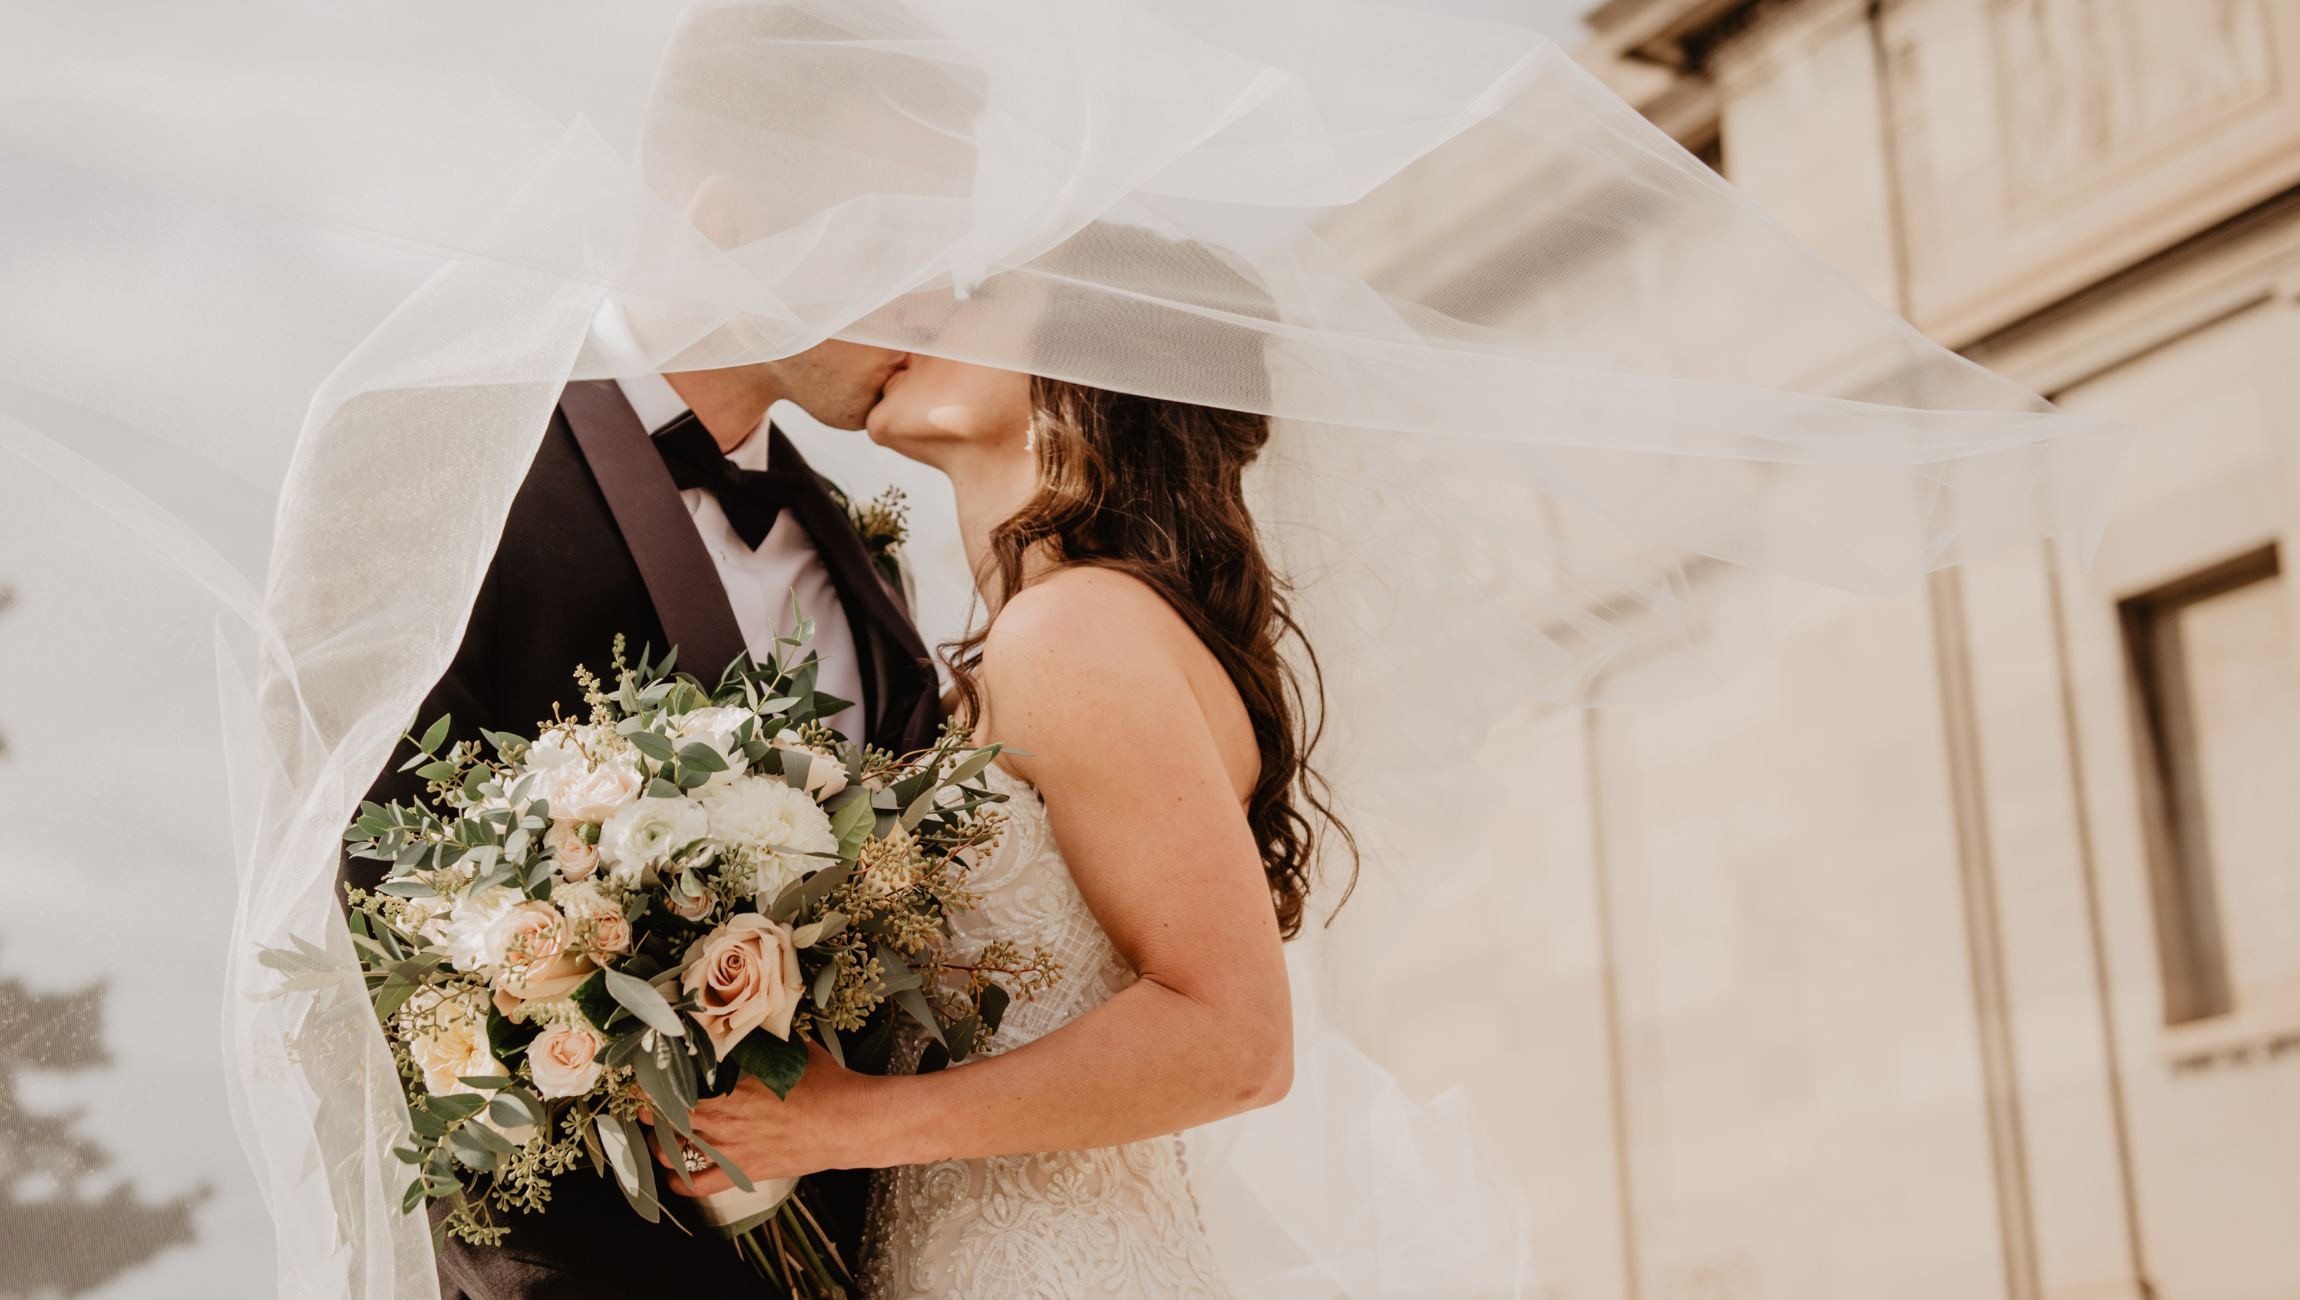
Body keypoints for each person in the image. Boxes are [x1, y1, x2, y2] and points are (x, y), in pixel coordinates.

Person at [650, 242, 1345, 1295]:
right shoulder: (1037, 636)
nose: (919, 310)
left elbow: (1236, 1038)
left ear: (1075, 371)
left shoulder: (1071, 632)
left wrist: (846, 1123)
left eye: (975, 297)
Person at [344, 338, 944, 1299]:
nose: (931, 321)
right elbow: (379, 894)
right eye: (896, 255)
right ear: (732, 220)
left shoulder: (855, 546)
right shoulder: (456, 455)